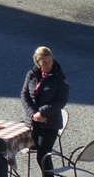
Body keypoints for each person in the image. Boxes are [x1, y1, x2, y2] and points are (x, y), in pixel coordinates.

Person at [21, 46, 69, 176]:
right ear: (38, 62)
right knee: (34, 153)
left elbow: (61, 101)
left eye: (49, 61)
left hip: (50, 122)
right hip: (33, 122)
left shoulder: (60, 77)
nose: (48, 64)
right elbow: (24, 95)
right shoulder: (31, 74)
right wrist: (34, 115)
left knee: (43, 155)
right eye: (44, 62)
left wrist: (42, 113)